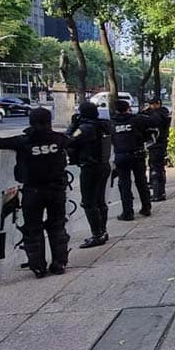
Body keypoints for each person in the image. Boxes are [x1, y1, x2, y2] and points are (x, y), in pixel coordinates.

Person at [0, 109, 71, 278]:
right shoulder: (60, 140)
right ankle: (60, 263)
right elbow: (73, 142)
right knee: (57, 226)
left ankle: (38, 267)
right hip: (56, 191)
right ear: (50, 121)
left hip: (33, 192)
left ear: (30, 122)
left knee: (33, 229)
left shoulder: (23, 141)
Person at [67, 101, 112, 249]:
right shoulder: (103, 125)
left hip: (90, 167)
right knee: (100, 200)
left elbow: (69, 140)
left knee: (88, 202)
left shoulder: (85, 128)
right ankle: (103, 231)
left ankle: (97, 234)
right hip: (103, 165)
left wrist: (73, 125)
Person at [111, 100, 156, 221]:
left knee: (124, 184)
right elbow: (154, 122)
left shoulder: (112, 123)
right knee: (141, 182)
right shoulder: (137, 119)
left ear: (115, 110)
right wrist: (149, 111)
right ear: (128, 108)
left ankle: (127, 213)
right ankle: (146, 207)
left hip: (121, 157)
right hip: (137, 155)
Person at [142, 98, 170, 202]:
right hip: (154, 145)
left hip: (158, 145)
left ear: (158, 104)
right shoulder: (155, 113)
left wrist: (146, 112)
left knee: (156, 169)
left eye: (153, 105)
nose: (151, 106)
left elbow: (155, 120)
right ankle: (157, 191)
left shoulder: (161, 114)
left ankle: (158, 193)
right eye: (150, 105)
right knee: (154, 167)